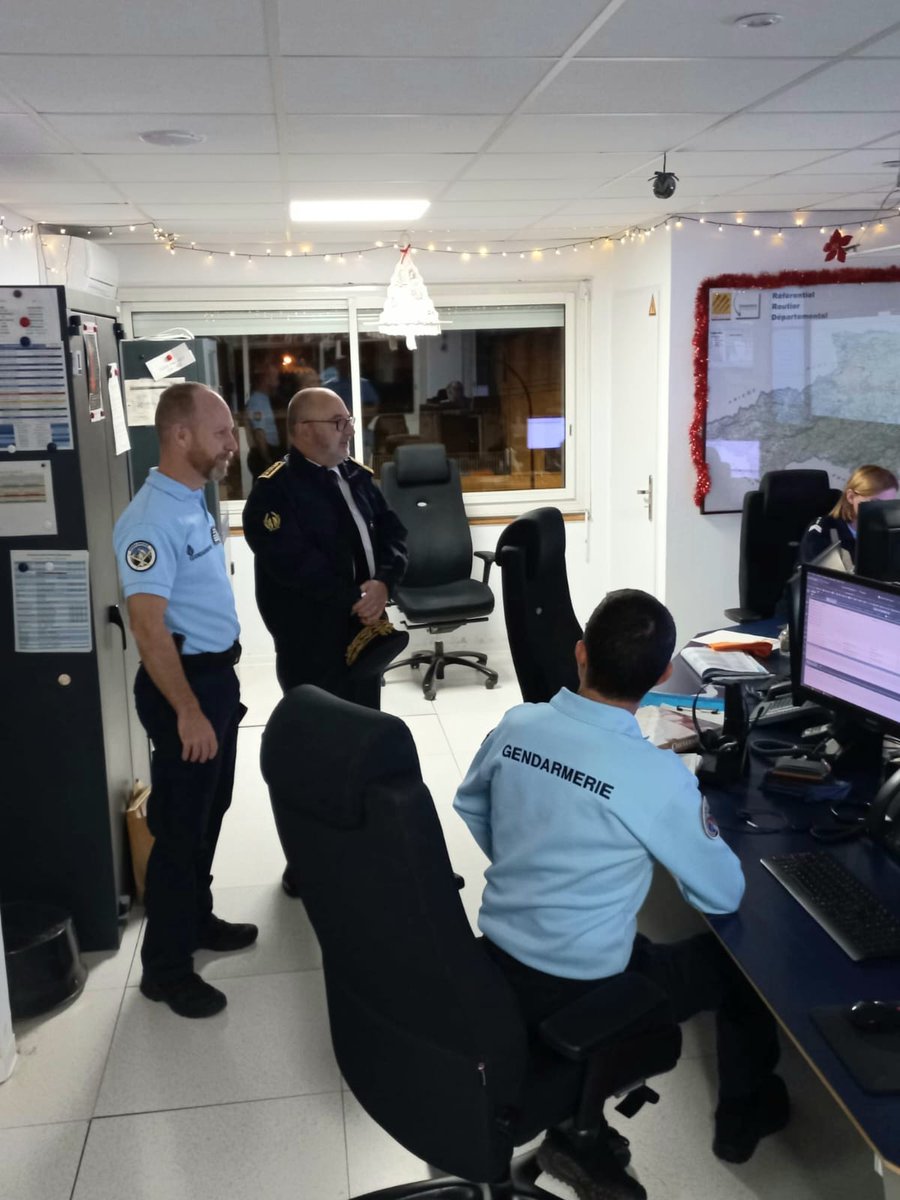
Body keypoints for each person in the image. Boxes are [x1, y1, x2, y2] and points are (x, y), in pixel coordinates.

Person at [453, 590, 785, 1200]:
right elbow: (721, 893)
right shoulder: (656, 777)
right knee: (741, 967)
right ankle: (746, 1113)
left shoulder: (519, 723)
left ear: (580, 655)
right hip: (588, 983)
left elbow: (471, 804)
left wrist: (536, 861)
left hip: (495, 963)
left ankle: (578, 1126)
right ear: (662, 677)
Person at [113, 382, 257, 1020]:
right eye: (223, 432)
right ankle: (165, 972)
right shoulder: (148, 521)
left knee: (210, 810)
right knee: (179, 830)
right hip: (185, 689)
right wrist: (189, 711)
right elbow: (149, 628)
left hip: (212, 679)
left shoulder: (193, 500)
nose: (235, 442)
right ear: (180, 435)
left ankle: (196, 921)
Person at [242, 387, 408, 889]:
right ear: (302, 431)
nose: (348, 428)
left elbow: (393, 534)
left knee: (364, 737)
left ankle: (359, 835)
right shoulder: (275, 491)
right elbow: (293, 565)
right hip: (311, 642)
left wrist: (383, 583)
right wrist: (354, 596)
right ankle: (309, 857)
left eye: (347, 419)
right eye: (337, 421)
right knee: (317, 749)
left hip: (365, 631)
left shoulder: (358, 477)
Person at [798, 464, 898, 568]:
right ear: (851, 497)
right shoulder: (822, 531)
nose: (882, 511)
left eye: (887, 505)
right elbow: (811, 578)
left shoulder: (885, 534)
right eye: (875, 502)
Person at [245, 360, 282, 478]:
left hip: (269, 451)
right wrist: (267, 459)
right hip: (264, 453)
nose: (278, 381)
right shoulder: (257, 401)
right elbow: (259, 433)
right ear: (265, 379)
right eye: (274, 377)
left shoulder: (265, 399)